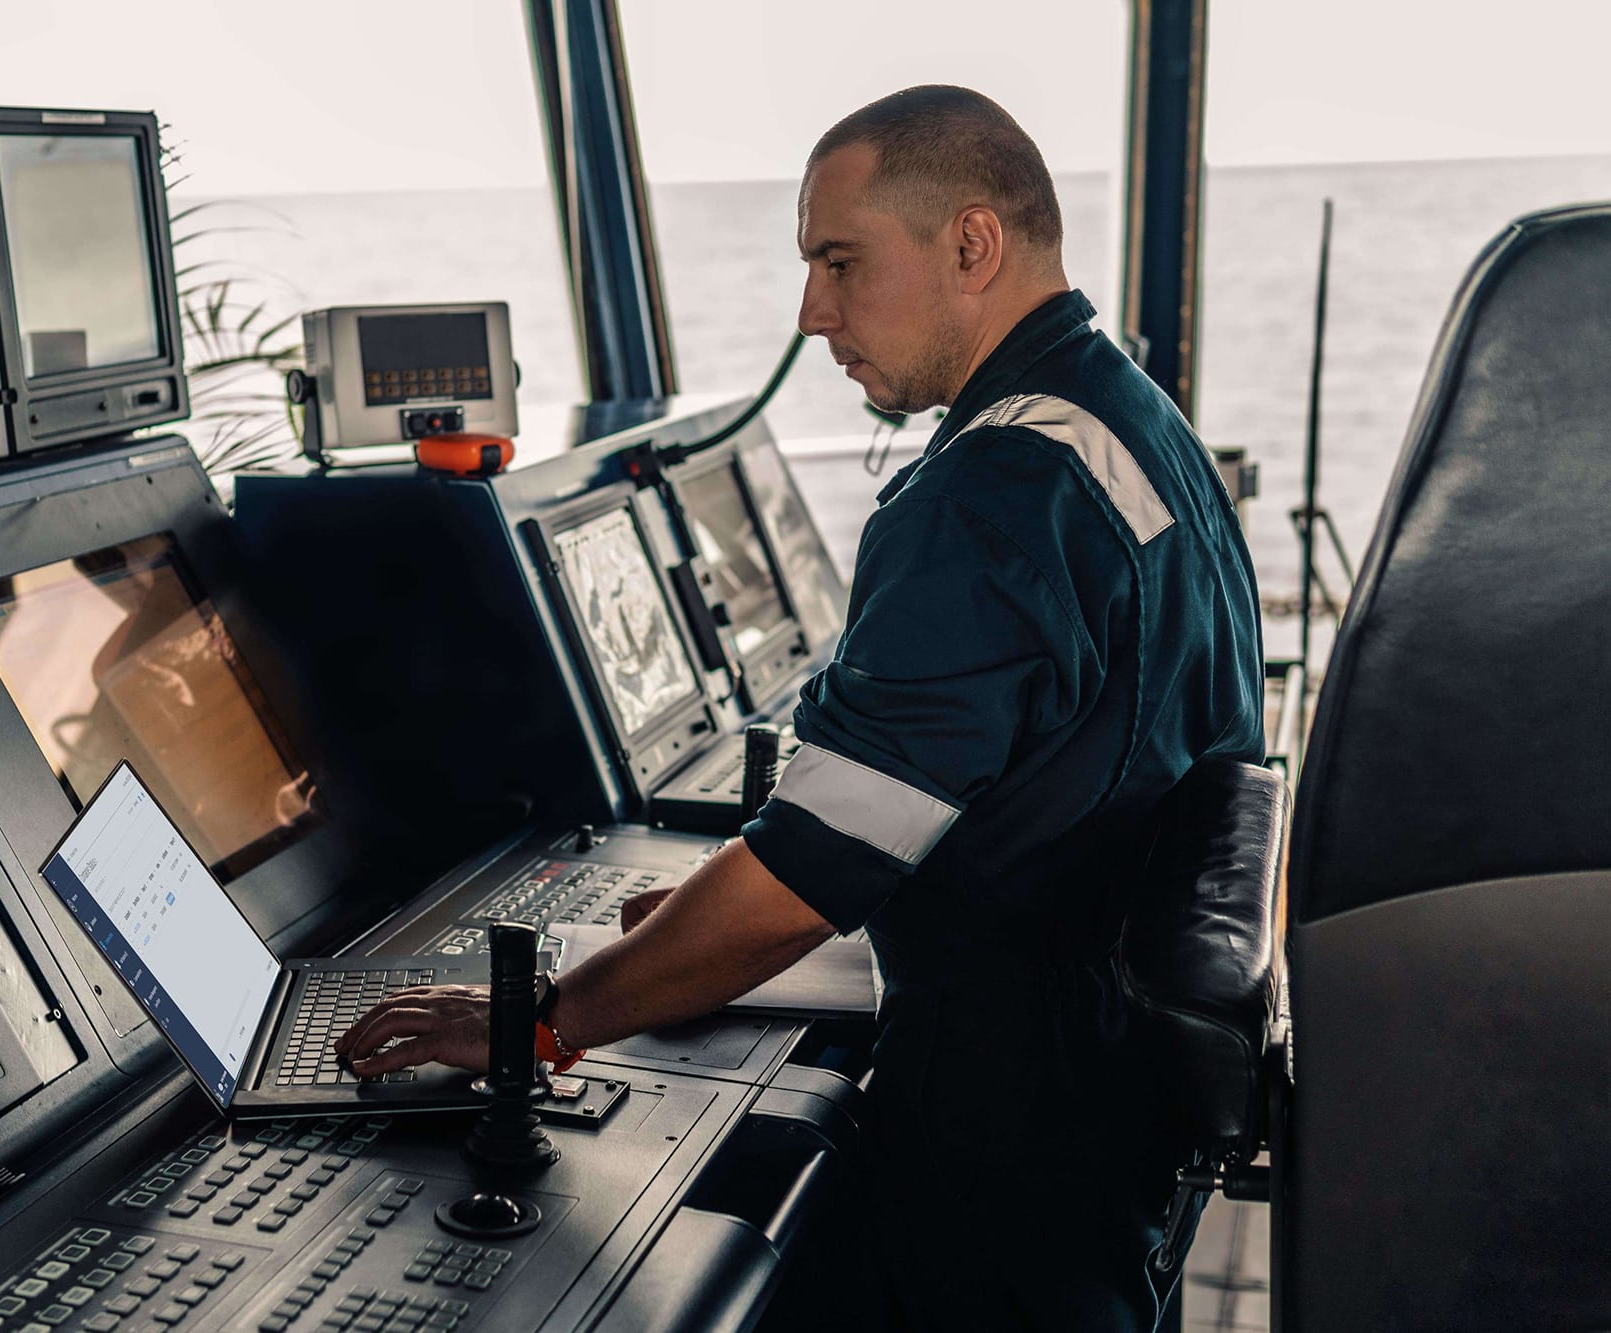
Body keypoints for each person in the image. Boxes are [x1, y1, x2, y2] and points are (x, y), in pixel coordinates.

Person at [336, 85, 1263, 1331]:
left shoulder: (994, 494)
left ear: (971, 246)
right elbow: (1034, 794)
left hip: (1006, 1151)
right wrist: (727, 925)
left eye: (840, 262)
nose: (811, 312)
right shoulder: (1124, 418)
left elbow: (809, 871)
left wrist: (544, 1023)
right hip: (1103, 1111)